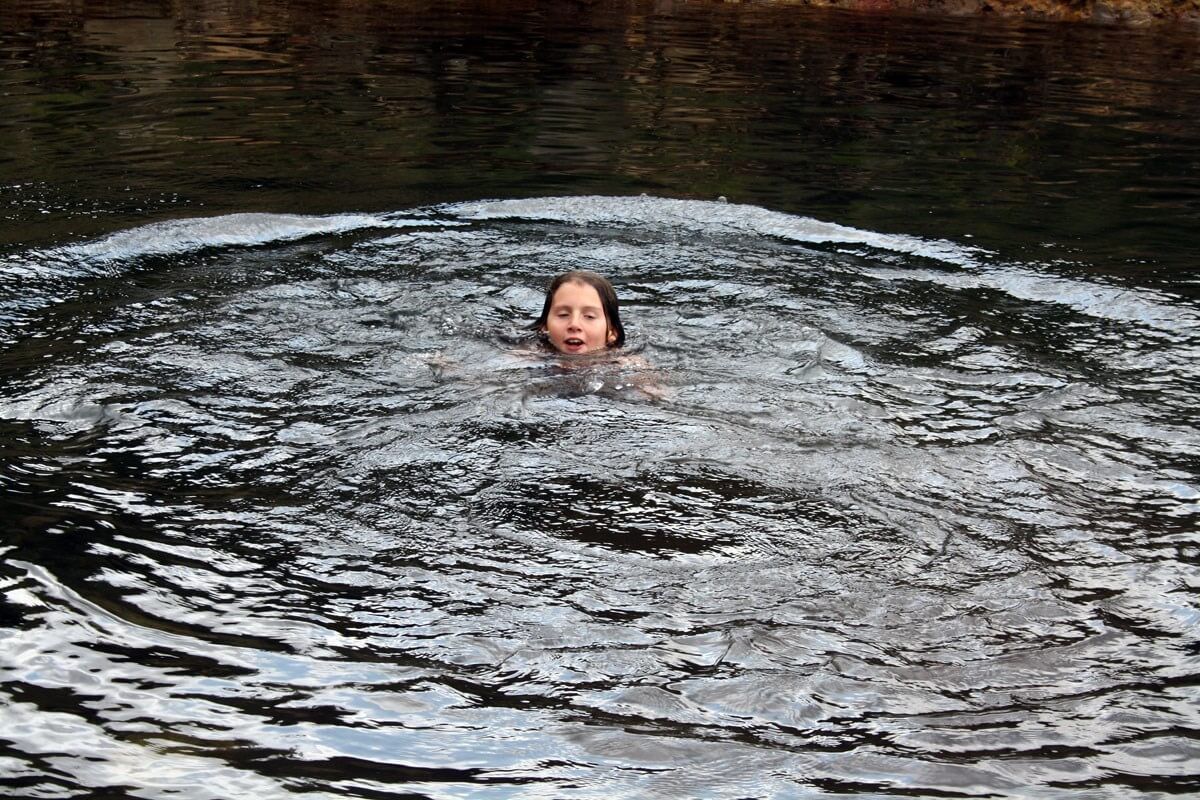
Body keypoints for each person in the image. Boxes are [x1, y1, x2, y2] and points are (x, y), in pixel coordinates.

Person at [531, 270, 625, 355]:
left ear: (612, 333)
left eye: (589, 316)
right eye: (563, 315)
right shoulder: (527, 357)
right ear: (544, 327)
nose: (574, 324)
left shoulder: (628, 367)